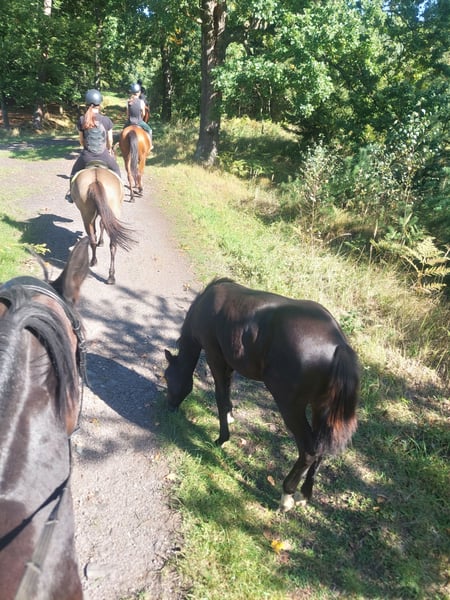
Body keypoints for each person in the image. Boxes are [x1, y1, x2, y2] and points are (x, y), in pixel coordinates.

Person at [66, 89, 121, 202]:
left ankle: (71, 194)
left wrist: (85, 148)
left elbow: (81, 140)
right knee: (116, 169)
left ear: (86, 104)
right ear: (99, 104)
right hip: (104, 156)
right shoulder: (106, 120)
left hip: (86, 157)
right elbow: (110, 140)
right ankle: (120, 192)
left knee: (73, 173)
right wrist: (109, 149)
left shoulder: (82, 120)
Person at [126, 82, 153, 149]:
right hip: (139, 122)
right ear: (139, 92)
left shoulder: (128, 101)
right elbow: (143, 114)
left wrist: (129, 120)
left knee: (123, 131)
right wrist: (140, 119)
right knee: (150, 130)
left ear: (131, 92)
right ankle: (150, 145)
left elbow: (128, 114)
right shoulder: (141, 102)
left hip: (130, 122)